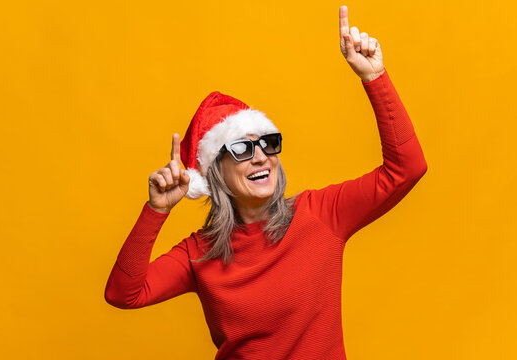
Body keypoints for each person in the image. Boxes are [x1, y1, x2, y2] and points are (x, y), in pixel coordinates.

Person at [104, 5, 427, 359]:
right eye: (242, 148)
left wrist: (374, 76)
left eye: (267, 143)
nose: (261, 156)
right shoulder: (200, 253)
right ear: (215, 172)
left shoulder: (320, 215)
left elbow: (406, 169)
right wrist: (156, 210)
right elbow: (124, 294)